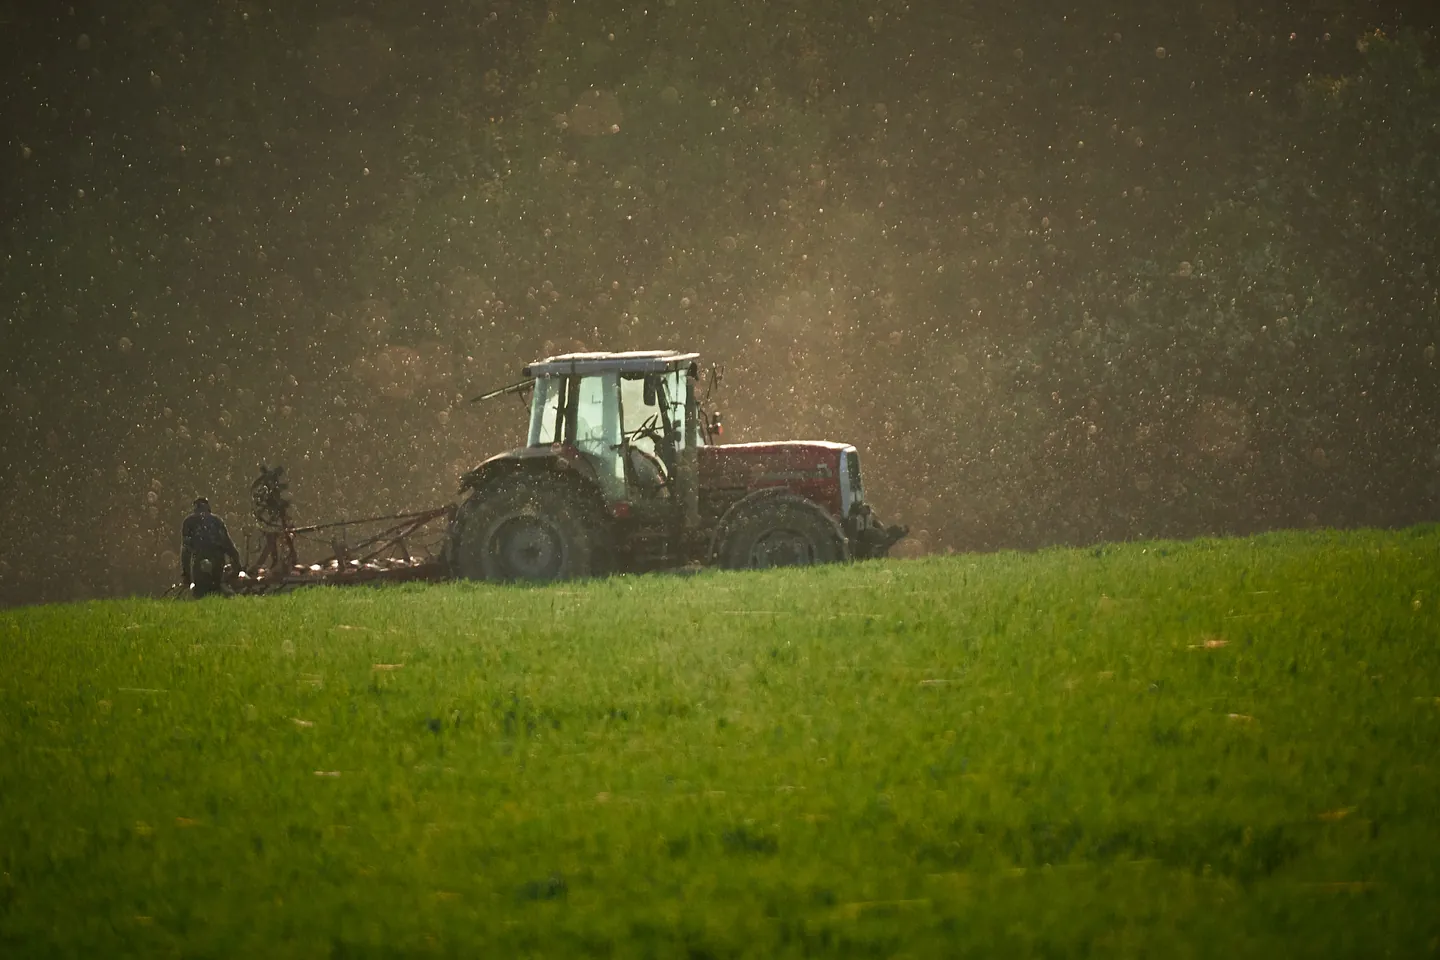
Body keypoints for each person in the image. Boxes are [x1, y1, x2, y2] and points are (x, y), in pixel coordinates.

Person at [180, 497, 241, 598]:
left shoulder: (188, 522)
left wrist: (186, 574)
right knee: (217, 588)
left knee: (200, 593)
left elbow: (186, 550)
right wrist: (237, 565)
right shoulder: (217, 521)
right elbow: (228, 545)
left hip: (199, 561)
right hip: (217, 560)